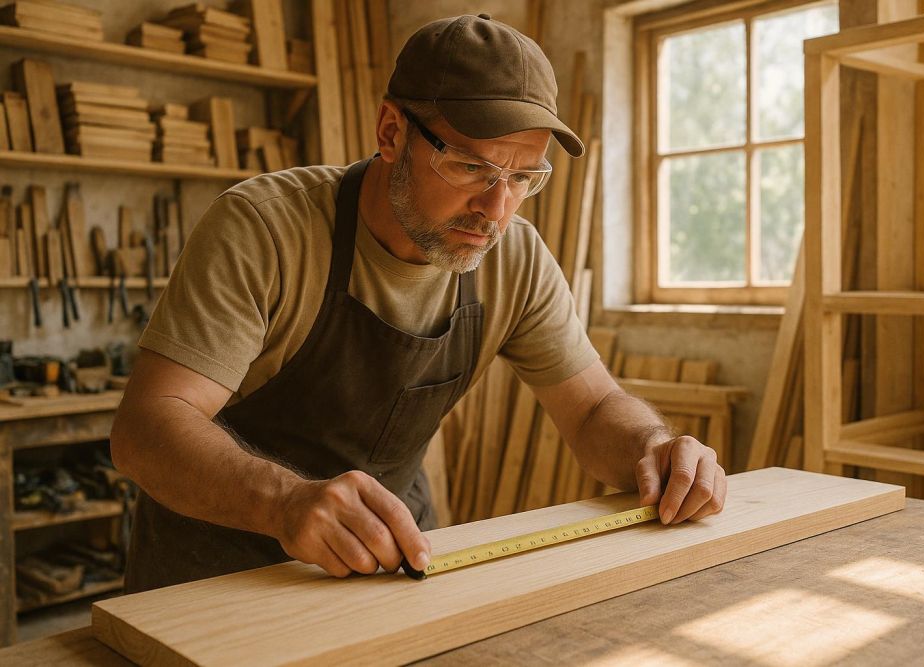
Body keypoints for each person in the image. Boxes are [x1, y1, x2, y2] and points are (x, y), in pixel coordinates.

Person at [110, 13, 726, 593]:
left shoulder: (515, 258)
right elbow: (145, 428)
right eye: (470, 166)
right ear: (391, 132)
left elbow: (592, 410)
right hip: (212, 576)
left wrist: (652, 449)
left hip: (387, 563)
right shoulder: (265, 229)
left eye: (522, 178)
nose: (496, 209)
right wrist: (284, 502)